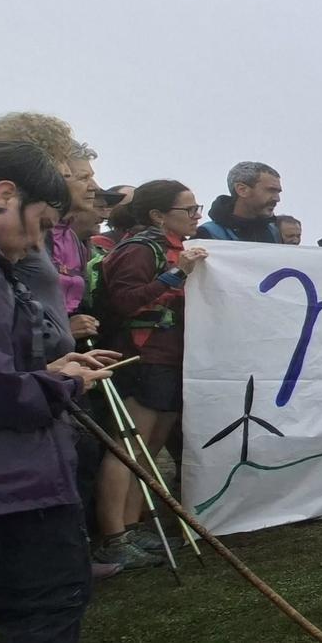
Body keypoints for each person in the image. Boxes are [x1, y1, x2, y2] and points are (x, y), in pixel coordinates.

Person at [0, 141, 114, 642]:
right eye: (43, 222)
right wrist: (62, 383)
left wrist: (47, 368)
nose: (37, 242)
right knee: (46, 607)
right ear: (4, 195)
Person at [96, 180, 209, 567]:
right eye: (189, 210)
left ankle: (134, 524)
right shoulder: (140, 248)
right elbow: (123, 301)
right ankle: (114, 535)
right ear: (159, 215)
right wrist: (177, 275)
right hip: (142, 355)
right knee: (128, 445)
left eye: (197, 208)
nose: (197, 216)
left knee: (151, 445)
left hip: (171, 355)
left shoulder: (175, 248)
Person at [195, 162, 281, 243]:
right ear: (242, 190)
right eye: (271, 190)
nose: (277, 199)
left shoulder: (275, 233)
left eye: (278, 192)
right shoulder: (207, 234)